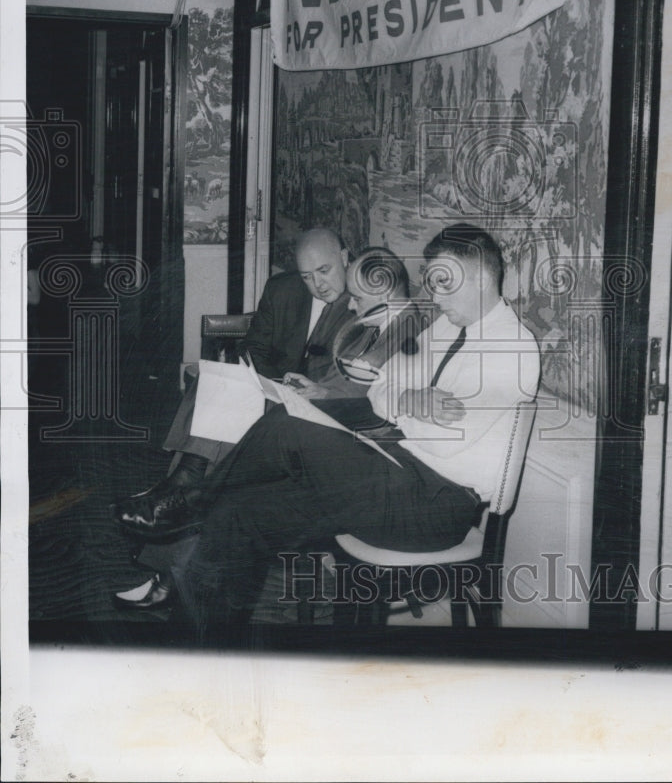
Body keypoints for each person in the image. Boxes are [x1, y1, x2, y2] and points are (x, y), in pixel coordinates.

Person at [149, 224, 540, 638]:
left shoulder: (513, 348)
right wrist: (409, 400)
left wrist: (405, 404)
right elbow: (382, 391)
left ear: (480, 277)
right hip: (395, 475)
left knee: (288, 425)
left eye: (445, 284)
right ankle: (194, 650)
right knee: (241, 514)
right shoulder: (443, 327)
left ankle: (194, 500)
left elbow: (445, 437)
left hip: (436, 506)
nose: (436, 297)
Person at [112, 245, 423, 612]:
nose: (349, 306)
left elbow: (372, 398)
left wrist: (320, 393)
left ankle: (177, 515)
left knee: (227, 422)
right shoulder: (383, 317)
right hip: (325, 415)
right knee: (220, 398)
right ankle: (180, 510)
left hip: (351, 444)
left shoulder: (405, 323)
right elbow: (351, 379)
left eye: (355, 298)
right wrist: (313, 388)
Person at [110, 227, 354, 533]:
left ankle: (178, 492)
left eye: (324, 271)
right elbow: (254, 349)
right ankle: (182, 490)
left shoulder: (362, 303)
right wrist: (272, 385)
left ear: (344, 258)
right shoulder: (283, 289)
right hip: (276, 391)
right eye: (307, 276)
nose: (317, 285)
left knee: (228, 403)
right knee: (218, 381)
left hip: (317, 409)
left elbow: (346, 381)